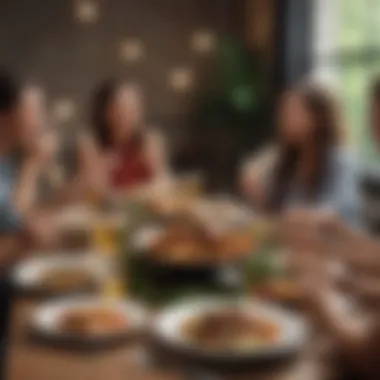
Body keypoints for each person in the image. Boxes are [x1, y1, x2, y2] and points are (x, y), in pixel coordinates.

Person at [241, 83, 360, 227]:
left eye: (291, 113)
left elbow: (342, 211)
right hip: (294, 245)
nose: (282, 120)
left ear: (316, 118)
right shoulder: (288, 159)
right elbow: (270, 208)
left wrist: (297, 217)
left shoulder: (341, 160)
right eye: (281, 113)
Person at [77, 79, 168, 199]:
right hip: (105, 212)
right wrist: (101, 169)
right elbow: (92, 190)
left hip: (144, 209)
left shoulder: (150, 139)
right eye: (120, 108)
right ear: (107, 111)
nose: (127, 116)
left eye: (133, 109)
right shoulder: (91, 141)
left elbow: (163, 182)